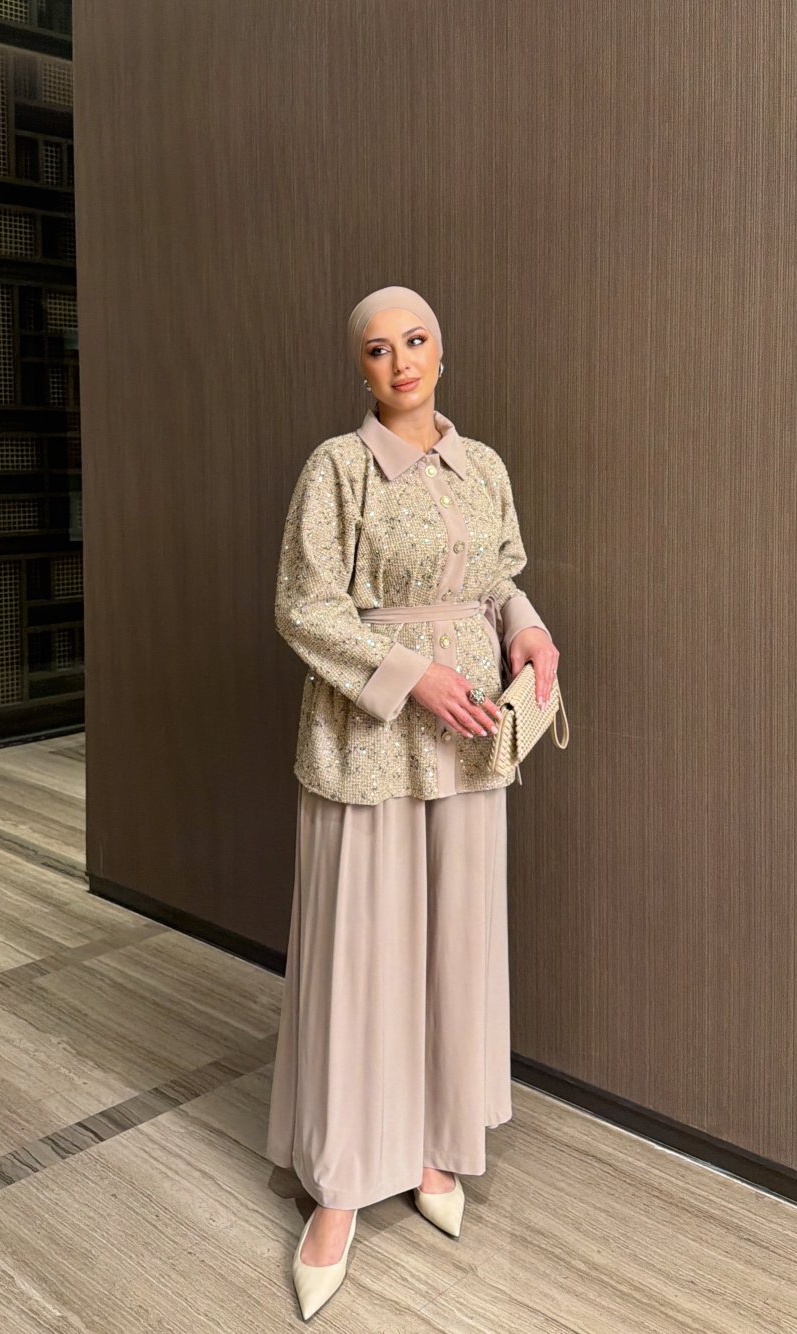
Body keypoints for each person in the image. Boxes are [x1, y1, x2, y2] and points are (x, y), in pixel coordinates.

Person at [265, 284, 560, 1320]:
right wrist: (412, 677)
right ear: (361, 366)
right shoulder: (335, 469)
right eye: (380, 349)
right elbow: (303, 606)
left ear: (442, 349)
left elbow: (501, 578)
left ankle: (436, 1145)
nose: (402, 362)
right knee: (362, 954)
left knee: (452, 944)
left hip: (472, 739)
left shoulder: (485, 468)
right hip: (369, 737)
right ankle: (340, 1181)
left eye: (417, 340)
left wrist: (529, 631)